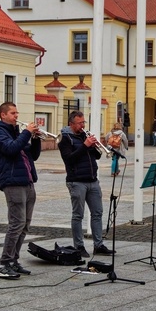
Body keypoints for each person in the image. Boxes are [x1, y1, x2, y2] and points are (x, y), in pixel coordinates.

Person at [0, 102, 41, 279]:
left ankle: (13, 261)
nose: (16, 116)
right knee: (16, 224)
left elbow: (32, 155)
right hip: (12, 181)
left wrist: (35, 138)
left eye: (17, 112)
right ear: (3, 115)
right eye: (13, 113)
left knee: (25, 224)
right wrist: (27, 133)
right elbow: (11, 149)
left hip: (27, 181)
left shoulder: (15, 132)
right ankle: (3, 264)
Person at [58, 111, 114, 258]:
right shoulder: (64, 139)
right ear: (71, 124)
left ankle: (98, 245)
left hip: (92, 180)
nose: (83, 126)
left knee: (97, 213)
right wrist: (84, 145)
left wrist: (94, 145)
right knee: (78, 215)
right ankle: (79, 246)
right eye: (80, 123)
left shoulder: (84, 136)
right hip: (76, 181)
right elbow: (69, 159)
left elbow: (97, 156)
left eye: (84, 122)